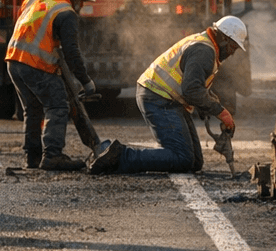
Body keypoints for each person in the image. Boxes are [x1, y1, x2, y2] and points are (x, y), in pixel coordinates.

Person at [89, 16, 248, 174]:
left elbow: (196, 85)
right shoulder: (204, 51)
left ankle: (114, 153)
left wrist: (210, 105)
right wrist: (221, 112)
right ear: (224, 39)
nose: (232, 53)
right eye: (233, 47)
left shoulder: (205, 45)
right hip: (158, 98)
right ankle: (120, 156)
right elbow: (191, 90)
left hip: (165, 98)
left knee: (194, 163)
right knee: (182, 158)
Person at [5, 0, 99, 171]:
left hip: (13, 60)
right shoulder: (66, 13)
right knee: (57, 107)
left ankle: (32, 157)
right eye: (83, 0)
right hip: (35, 64)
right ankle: (52, 156)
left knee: (32, 109)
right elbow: (72, 53)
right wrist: (86, 81)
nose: (82, 6)